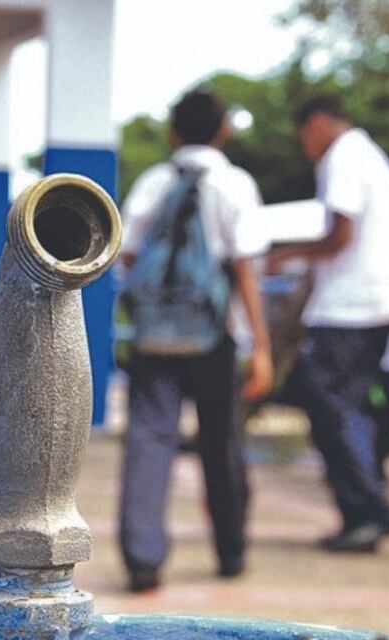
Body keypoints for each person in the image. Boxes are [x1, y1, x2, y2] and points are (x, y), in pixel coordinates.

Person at [117, 90, 274, 591]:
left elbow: (127, 256)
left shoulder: (154, 183)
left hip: (152, 339)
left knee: (148, 439)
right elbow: (245, 269)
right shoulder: (234, 185)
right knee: (220, 441)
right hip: (213, 337)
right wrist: (261, 347)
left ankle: (143, 557)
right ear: (224, 130)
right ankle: (230, 551)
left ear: (172, 133)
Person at [268, 96, 389, 553]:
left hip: (348, 307)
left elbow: (340, 234)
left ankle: (368, 508)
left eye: (305, 135)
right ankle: (368, 508)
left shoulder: (343, 158)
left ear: (319, 123)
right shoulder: (370, 155)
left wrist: (287, 255)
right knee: (351, 408)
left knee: (332, 408)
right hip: (377, 301)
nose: (307, 146)